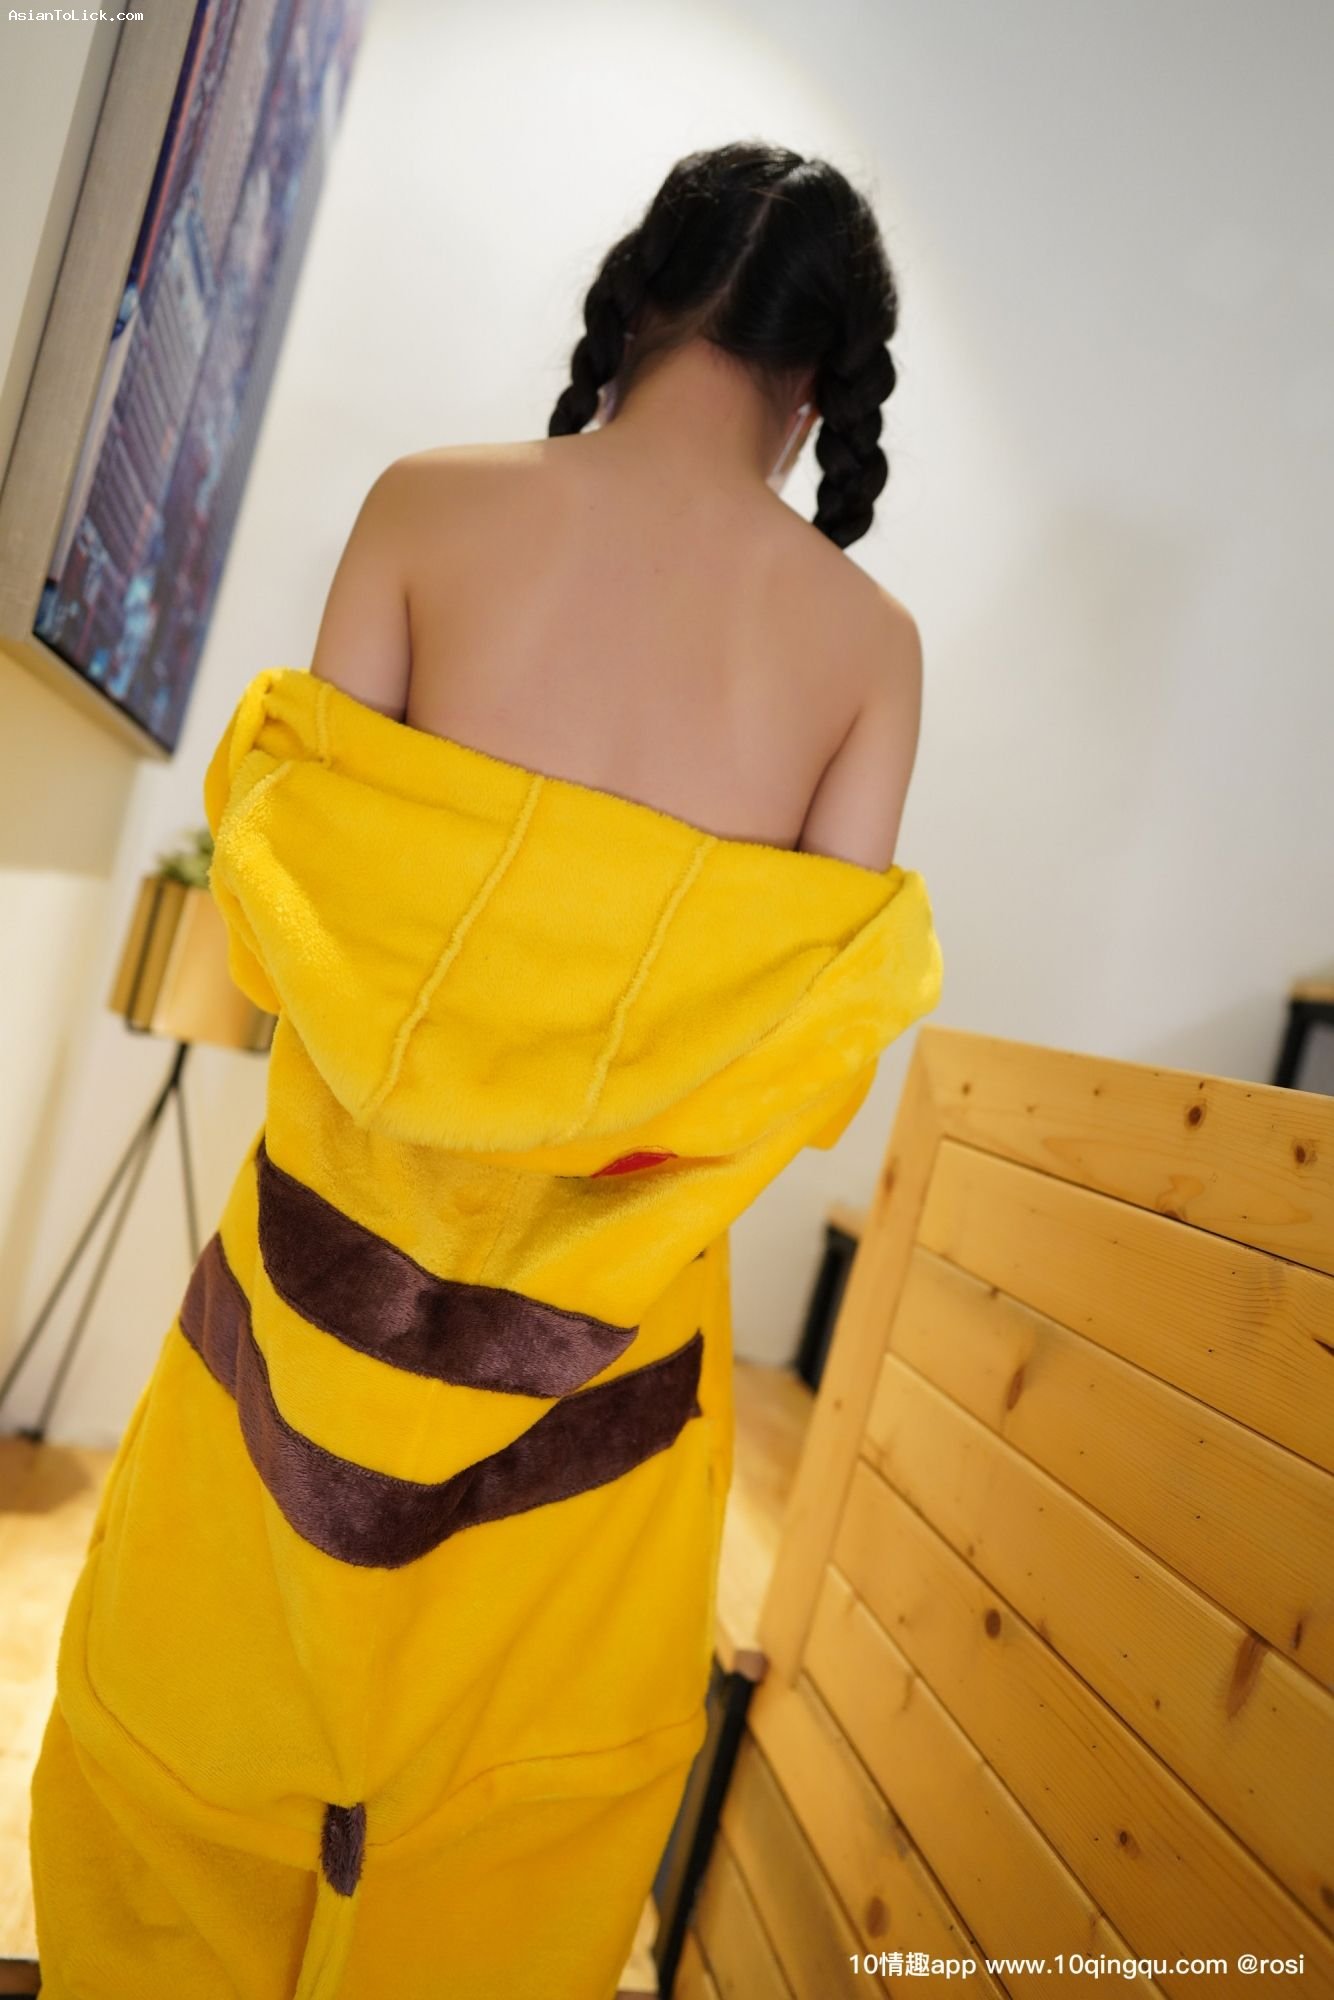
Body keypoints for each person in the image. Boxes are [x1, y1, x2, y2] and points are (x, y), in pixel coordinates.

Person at [28, 141, 943, 1999]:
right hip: (601, 1375)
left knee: (191, 1747)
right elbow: (801, 1062)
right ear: (821, 386)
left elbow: (287, 921)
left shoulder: (423, 507)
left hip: (314, 1290)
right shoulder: (867, 651)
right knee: (508, 1828)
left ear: (640, 292)